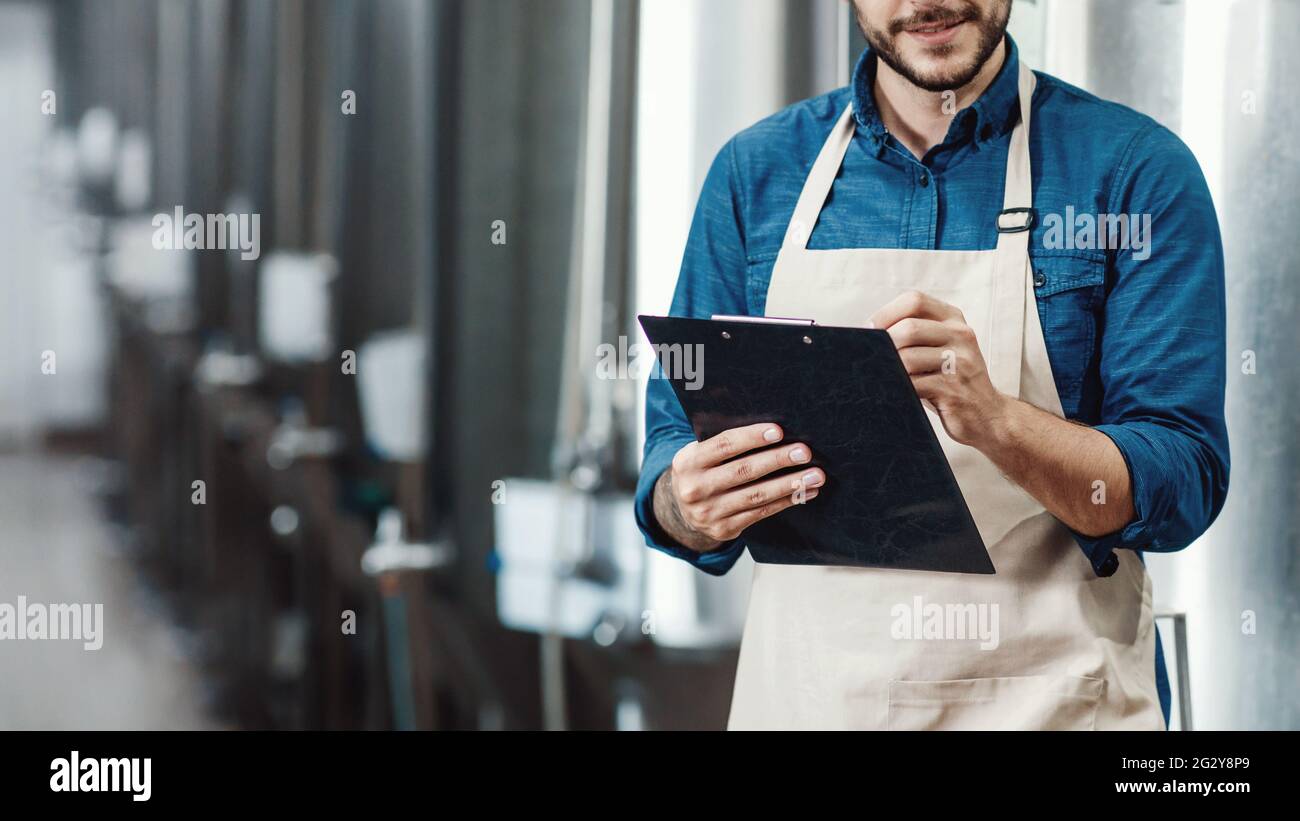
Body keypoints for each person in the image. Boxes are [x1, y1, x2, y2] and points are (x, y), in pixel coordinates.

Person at [635, 0, 1229, 729]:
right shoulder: (755, 176)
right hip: (814, 705)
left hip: (1053, 706)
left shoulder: (1133, 175)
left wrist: (1000, 422)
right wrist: (686, 506)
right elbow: (669, 454)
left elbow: (1183, 479)